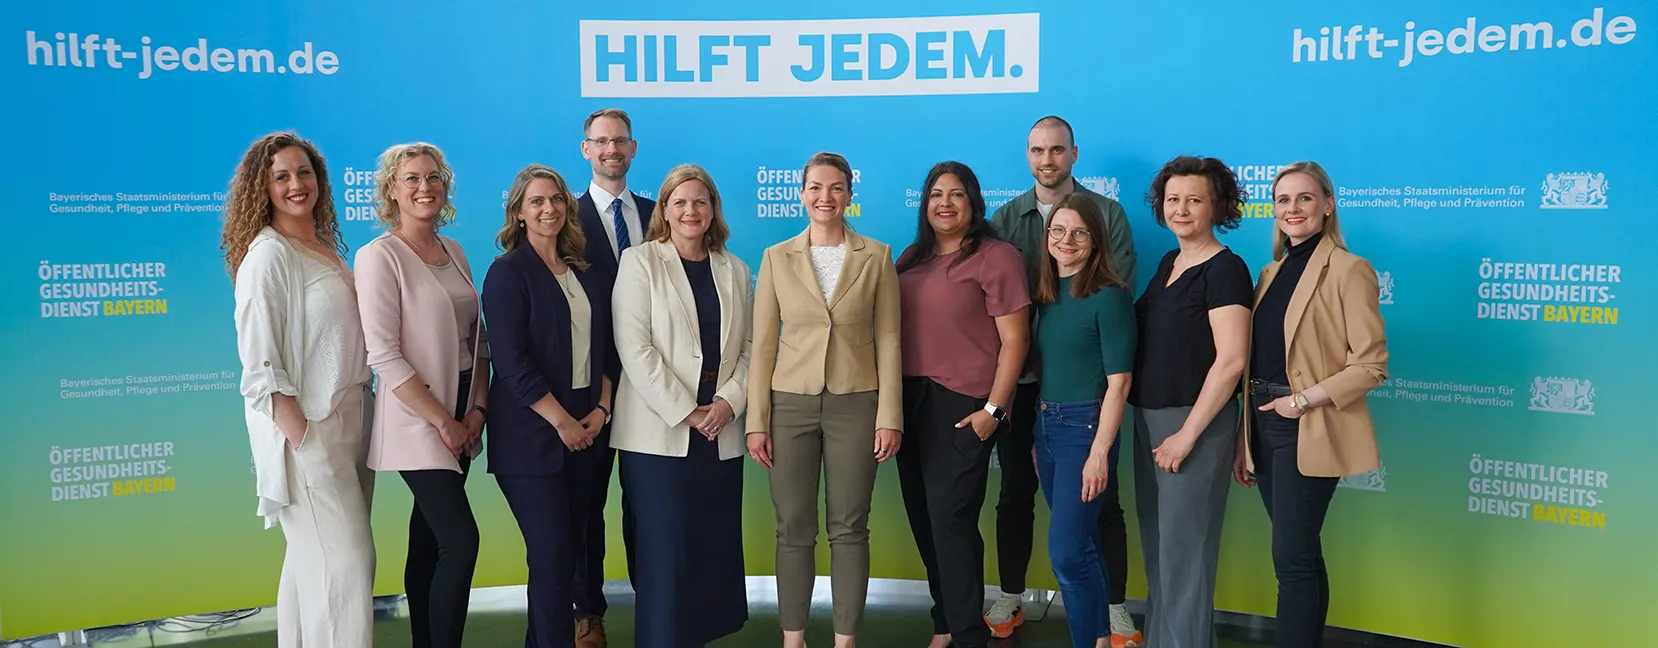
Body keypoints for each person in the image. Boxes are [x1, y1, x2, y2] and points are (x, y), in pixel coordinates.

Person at [987, 115, 1141, 647]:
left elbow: (1112, 309)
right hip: (1034, 396)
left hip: (1089, 401)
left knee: (1092, 521)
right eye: (1037, 150)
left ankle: (1112, 612)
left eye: (1056, 149)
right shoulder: (1006, 218)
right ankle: (1016, 597)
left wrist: (1099, 447)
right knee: (1017, 494)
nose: (1046, 159)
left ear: (1074, 153)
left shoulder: (1107, 219)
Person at [223, 131, 375, 648]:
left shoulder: (324, 247)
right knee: (347, 568)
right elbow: (260, 368)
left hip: (354, 421)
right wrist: (303, 438)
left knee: (314, 566)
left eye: (304, 172)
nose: (296, 184)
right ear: (261, 187)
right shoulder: (268, 255)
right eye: (281, 176)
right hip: (312, 431)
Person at [747, 151, 902, 648]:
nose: (825, 197)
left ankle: (844, 639)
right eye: (815, 187)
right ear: (801, 194)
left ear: (850, 195)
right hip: (789, 403)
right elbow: (763, 344)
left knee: (849, 526)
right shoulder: (776, 257)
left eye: (836, 188)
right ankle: (793, 639)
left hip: (856, 402)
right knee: (792, 526)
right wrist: (757, 420)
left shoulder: (877, 255)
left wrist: (890, 415)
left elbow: (890, 339)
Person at [1234, 161, 1388, 648]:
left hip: (1306, 424)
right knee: (1302, 556)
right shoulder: (1270, 272)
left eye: (1305, 197)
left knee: (1292, 563)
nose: (1293, 208)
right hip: (1262, 424)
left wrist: (1300, 402)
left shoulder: (1349, 269)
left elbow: (1370, 366)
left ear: (1328, 205)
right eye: (1283, 200)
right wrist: (1244, 437)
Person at [611, 164, 753, 647]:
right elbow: (634, 349)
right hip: (658, 436)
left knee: (709, 553)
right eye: (680, 202)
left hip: (720, 430)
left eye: (700, 201)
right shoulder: (639, 262)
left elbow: (753, 348)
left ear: (713, 210)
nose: (691, 211)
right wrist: (687, 411)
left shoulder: (736, 269)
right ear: (665, 211)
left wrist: (727, 404)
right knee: (664, 555)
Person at [355, 142, 490, 648]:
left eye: (433, 177)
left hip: (463, 408)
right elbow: (384, 355)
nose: (424, 187)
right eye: (411, 178)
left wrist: (477, 410)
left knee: (430, 540)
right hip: (419, 418)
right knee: (461, 542)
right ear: (391, 190)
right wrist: (443, 421)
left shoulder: (454, 250)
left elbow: (478, 339)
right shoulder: (379, 257)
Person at [894, 161, 1030, 648]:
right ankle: (946, 623)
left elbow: (1015, 340)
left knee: (951, 522)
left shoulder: (997, 257)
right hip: (909, 402)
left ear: (974, 201)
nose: (945, 203)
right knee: (924, 520)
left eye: (956, 194)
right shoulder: (910, 258)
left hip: (963, 405)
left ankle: (970, 634)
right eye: (936, 194)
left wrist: (994, 410)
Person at [482, 164, 615, 648]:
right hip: (533, 440)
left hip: (586, 432)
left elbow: (605, 349)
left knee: (569, 556)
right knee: (552, 558)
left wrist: (601, 411)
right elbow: (511, 363)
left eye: (556, 199)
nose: (549, 209)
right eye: (536, 201)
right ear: (518, 212)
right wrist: (562, 423)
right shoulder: (507, 272)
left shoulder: (583, 271)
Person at [1130, 155, 1253, 648]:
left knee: (1186, 557)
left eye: (1194, 200)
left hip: (1193, 425)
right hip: (1149, 419)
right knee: (1161, 553)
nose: (1180, 209)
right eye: (1172, 199)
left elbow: (1232, 361)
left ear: (1216, 206)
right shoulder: (1170, 262)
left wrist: (1186, 436)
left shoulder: (1226, 270)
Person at [1031, 194, 1137, 648]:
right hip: (1047, 427)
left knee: (1067, 555)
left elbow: (1120, 383)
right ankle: (1099, 639)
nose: (1067, 240)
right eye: (1058, 230)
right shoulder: (1047, 296)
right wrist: (1039, 438)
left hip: (1085, 430)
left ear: (1095, 240)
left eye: (1079, 232)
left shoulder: (1109, 297)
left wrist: (1099, 454)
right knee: (1083, 547)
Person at [571, 107, 654, 647]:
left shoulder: (659, 214)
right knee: (586, 505)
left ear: (633, 147)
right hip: (588, 385)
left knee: (647, 504)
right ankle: (588, 611)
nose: (611, 150)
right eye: (601, 141)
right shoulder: (563, 216)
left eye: (620, 141)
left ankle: (656, 602)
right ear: (586, 149)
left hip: (655, 387)